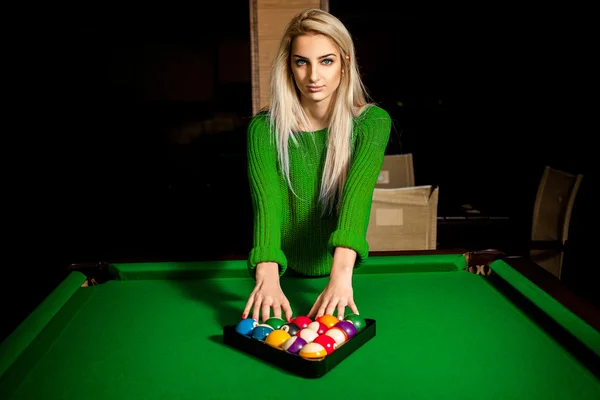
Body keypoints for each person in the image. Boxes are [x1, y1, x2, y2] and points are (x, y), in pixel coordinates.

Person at [242, 8, 392, 324]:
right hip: (283, 270)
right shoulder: (263, 129)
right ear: (289, 66)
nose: (313, 76)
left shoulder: (371, 123)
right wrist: (267, 272)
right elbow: (267, 206)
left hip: (343, 271)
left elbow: (357, 199)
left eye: (326, 61)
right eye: (302, 62)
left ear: (344, 64)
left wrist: (340, 278)